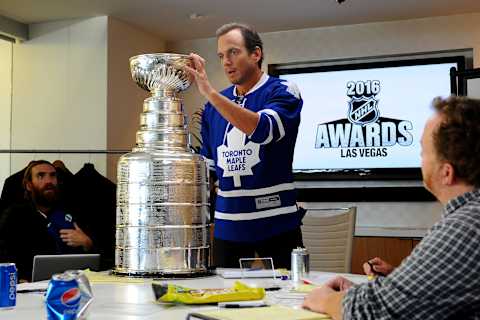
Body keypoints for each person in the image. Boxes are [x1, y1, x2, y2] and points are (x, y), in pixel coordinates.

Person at [302, 96, 480, 319]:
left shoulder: (464, 228)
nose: (420, 161)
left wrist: (325, 299)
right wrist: (398, 279)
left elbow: (374, 312)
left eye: (423, 153)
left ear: (446, 172)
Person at [184, 22, 305, 268]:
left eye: (233, 52)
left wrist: (208, 91)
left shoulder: (282, 90)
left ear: (256, 54)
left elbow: (263, 130)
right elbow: (209, 169)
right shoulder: (212, 107)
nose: (226, 61)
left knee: (289, 297)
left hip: (277, 223)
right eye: (221, 56)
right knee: (225, 301)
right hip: (228, 227)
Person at [0, 160, 93, 281]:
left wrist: (87, 243)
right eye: (41, 176)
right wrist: (17, 279)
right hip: (28, 290)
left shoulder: (73, 213)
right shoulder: (14, 217)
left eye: (53, 175)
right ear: (28, 185)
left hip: (73, 288)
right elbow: (3, 256)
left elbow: (102, 259)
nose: (48, 181)